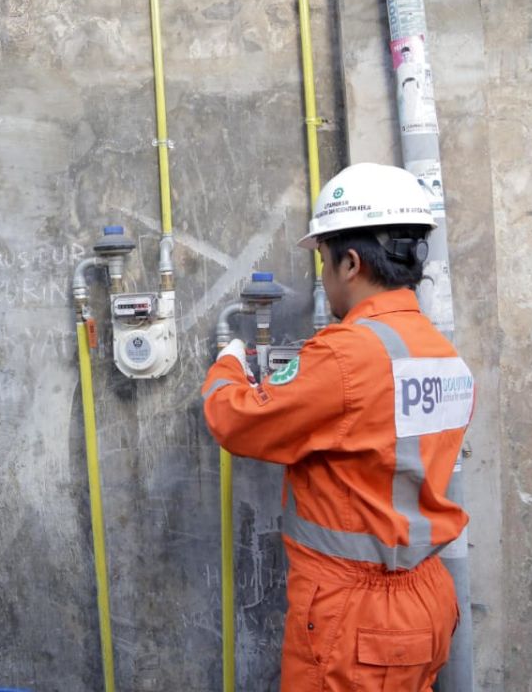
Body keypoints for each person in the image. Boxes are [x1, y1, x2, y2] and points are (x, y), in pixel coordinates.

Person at [201, 162, 474, 691]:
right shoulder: (440, 354)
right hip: (426, 599)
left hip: (355, 614)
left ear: (350, 263)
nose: (324, 280)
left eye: (324, 263)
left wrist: (228, 363)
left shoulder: (349, 355)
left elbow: (236, 421)